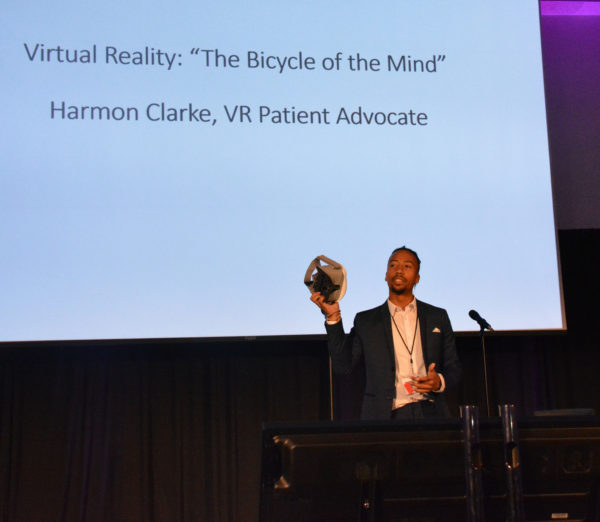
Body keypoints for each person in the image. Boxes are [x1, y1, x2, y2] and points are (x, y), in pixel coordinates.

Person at [311, 246, 461, 420]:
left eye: (407, 266)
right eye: (393, 265)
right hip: (385, 416)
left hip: (431, 411)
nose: (398, 270)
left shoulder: (437, 317)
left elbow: (454, 368)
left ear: (417, 278)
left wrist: (439, 382)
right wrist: (333, 316)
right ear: (385, 276)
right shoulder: (366, 321)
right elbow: (343, 366)